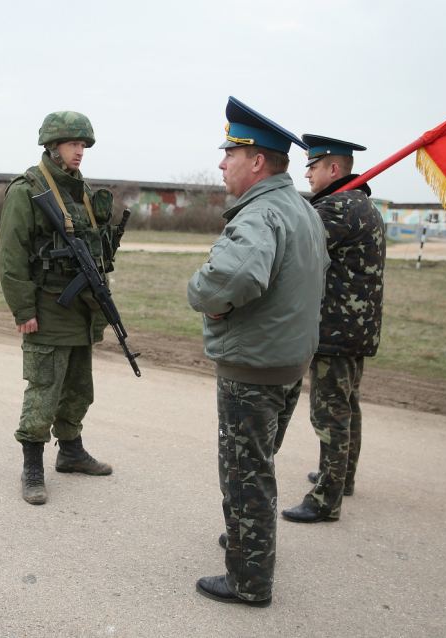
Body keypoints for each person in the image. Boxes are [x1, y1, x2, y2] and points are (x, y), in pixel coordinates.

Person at [187, 97, 329, 607]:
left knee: (246, 474)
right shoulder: (300, 209)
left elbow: (234, 275)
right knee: (259, 463)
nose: (222, 163)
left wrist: (203, 297)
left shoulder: (261, 213)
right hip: (289, 361)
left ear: (258, 162)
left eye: (231, 154)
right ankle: (250, 540)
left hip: (255, 366)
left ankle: (249, 580)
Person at [0, 111, 121, 506]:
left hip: (82, 309)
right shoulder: (27, 190)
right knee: (43, 390)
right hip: (47, 307)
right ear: (52, 146)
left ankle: (70, 451)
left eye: (83, 145)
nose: (79, 151)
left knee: (79, 388)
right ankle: (32, 466)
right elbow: (11, 258)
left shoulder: (80, 190)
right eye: (73, 144)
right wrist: (23, 310)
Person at [280, 134, 386, 524]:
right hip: (355, 326)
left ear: (334, 169)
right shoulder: (360, 203)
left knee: (330, 413)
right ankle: (343, 476)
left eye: (313, 166)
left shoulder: (338, 208)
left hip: (336, 328)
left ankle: (326, 498)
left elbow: (296, 248)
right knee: (347, 405)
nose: (306, 173)